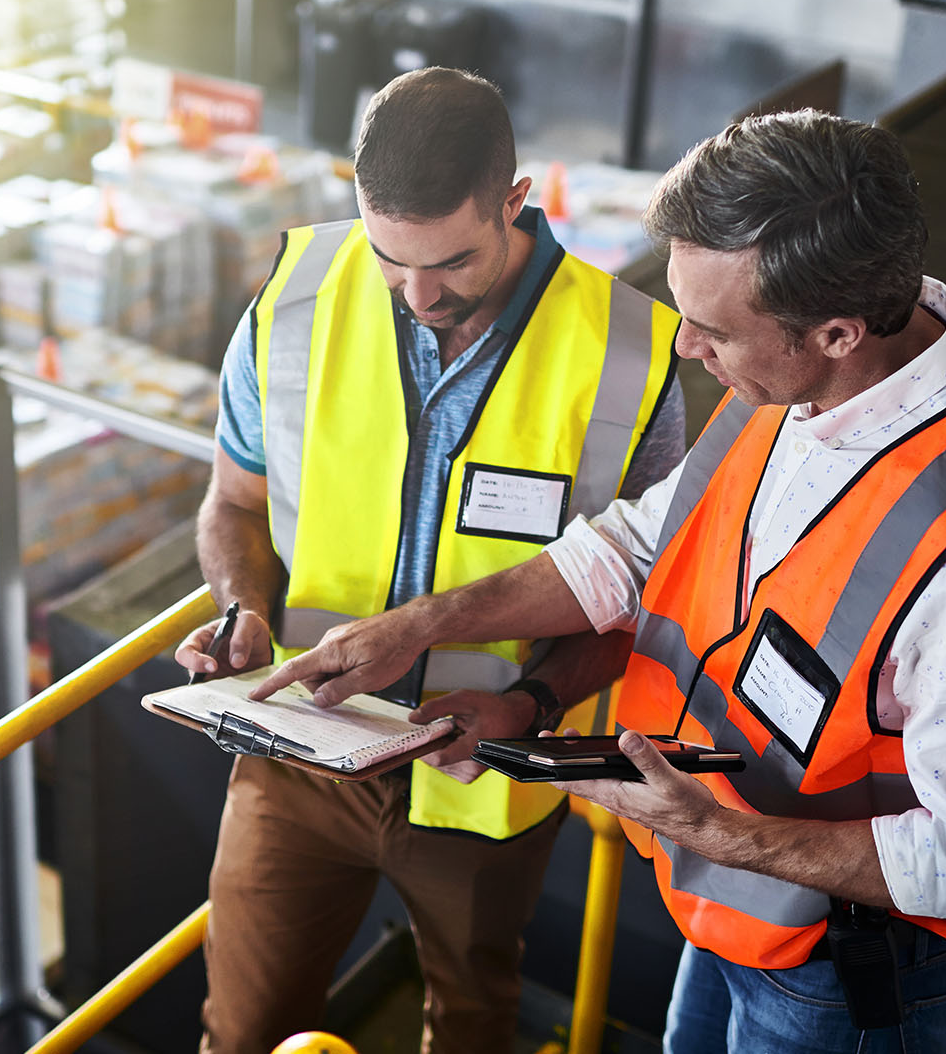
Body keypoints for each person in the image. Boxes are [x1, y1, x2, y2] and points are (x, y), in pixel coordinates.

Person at [254, 110, 946, 1052]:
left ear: (834, 332)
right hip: (737, 913)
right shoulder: (800, 386)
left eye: (712, 331)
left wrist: (714, 829)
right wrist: (420, 626)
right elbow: (631, 549)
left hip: (849, 980)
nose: (688, 350)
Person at [173, 66, 687, 1054]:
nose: (416, 295)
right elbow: (233, 501)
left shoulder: (629, 355)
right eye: (387, 258)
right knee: (238, 1036)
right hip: (297, 757)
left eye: (449, 262)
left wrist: (532, 708)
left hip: (483, 777)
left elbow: (641, 601)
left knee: (470, 1030)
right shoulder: (293, 301)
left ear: (512, 202)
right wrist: (242, 607)